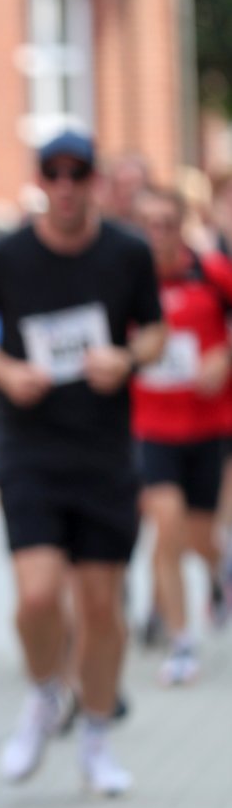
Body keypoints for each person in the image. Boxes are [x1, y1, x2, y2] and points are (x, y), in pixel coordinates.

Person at [0, 130, 165, 796]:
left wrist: (126, 359)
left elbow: (156, 333)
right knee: (38, 595)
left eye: (78, 174)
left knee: (101, 607)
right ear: (40, 181)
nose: (66, 186)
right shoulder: (8, 253)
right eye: (54, 173)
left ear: (94, 181)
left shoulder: (127, 251)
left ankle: (96, 735)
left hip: (103, 449)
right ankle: (45, 692)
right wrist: (4, 372)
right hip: (29, 446)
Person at [131, 186, 232, 685]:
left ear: (182, 226)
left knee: (198, 536)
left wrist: (224, 356)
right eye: (149, 225)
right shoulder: (124, 280)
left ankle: (221, 566)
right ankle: (181, 642)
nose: (159, 235)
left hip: (208, 424)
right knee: (166, 524)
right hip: (149, 426)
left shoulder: (212, 273)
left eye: (168, 224)